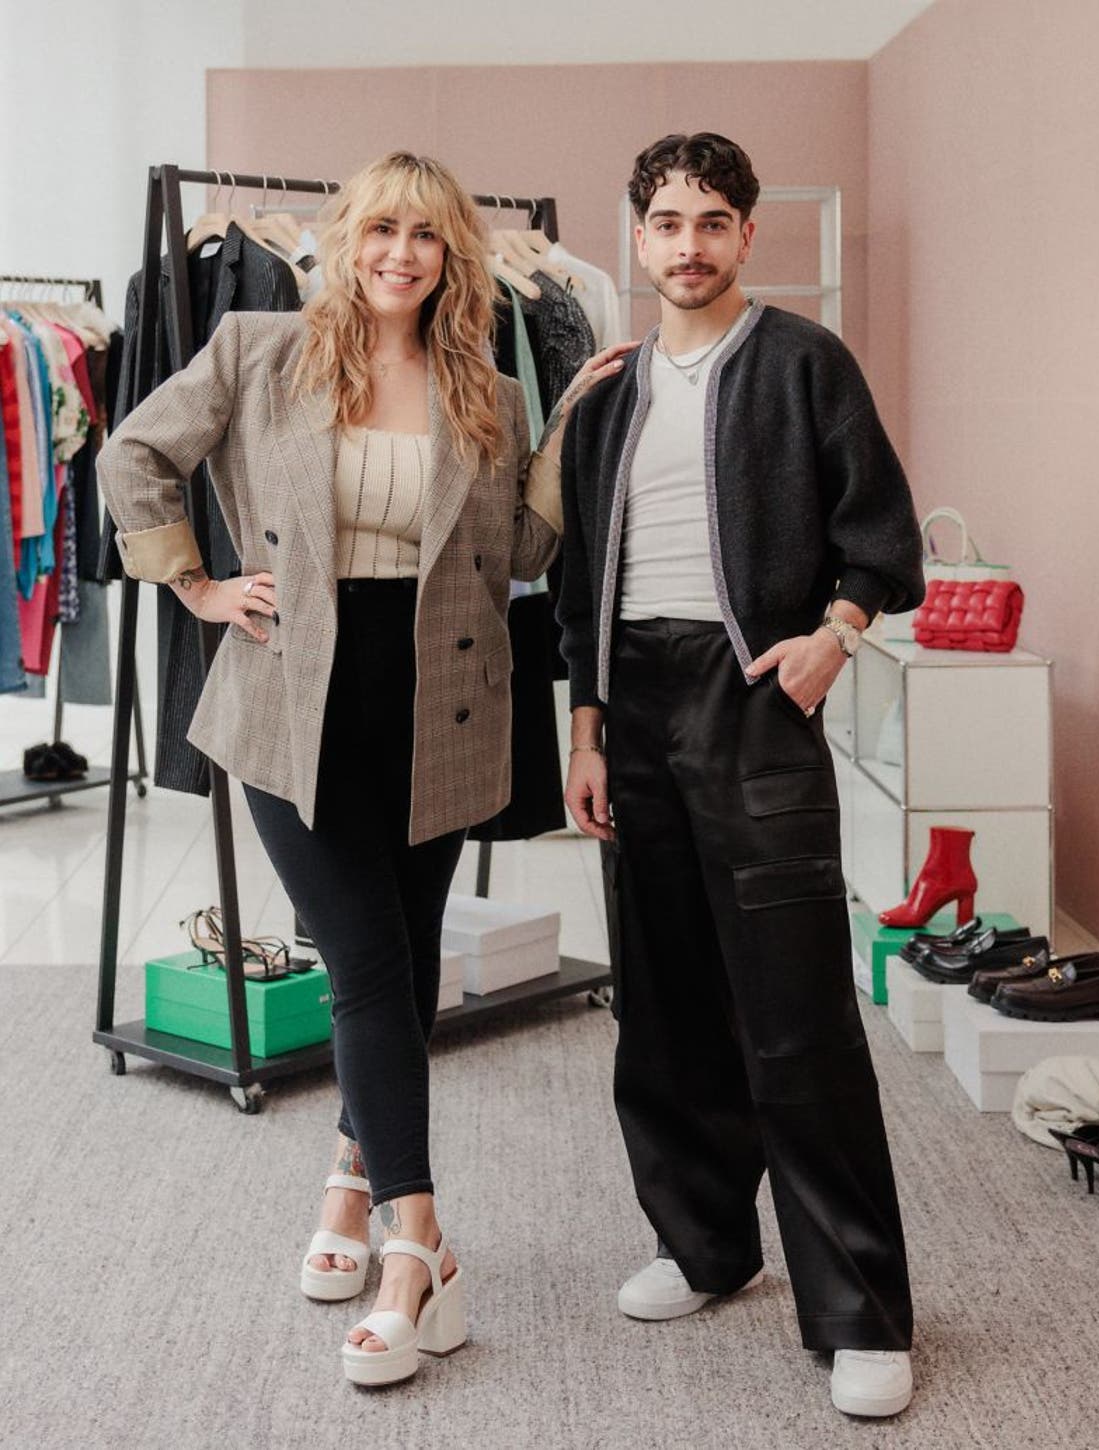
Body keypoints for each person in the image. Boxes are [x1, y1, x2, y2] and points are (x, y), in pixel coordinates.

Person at [99, 150, 628, 1388]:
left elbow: (524, 548)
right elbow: (133, 456)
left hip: (441, 700)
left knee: (397, 956)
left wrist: (569, 428)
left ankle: (348, 1181)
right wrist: (197, 583)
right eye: (381, 229)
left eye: (426, 237)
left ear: (455, 258)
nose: (401, 252)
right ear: (344, 240)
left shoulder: (486, 383)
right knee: (366, 963)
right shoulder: (256, 346)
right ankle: (419, 1244)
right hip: (295, 698)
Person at [555, 133, 925, 1419]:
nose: (689, 244)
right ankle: (703, 1244)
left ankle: (860, 1310)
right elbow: (568, 584)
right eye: (666, 221)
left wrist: (834, 636)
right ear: (637, 235)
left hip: (753, 692)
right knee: (659, 1001)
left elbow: (881, 534)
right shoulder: (603, 392)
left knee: (794, 1012)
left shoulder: (803, 363)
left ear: (747, 235)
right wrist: (586, 728)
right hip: (633, 708)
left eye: (713, 220)